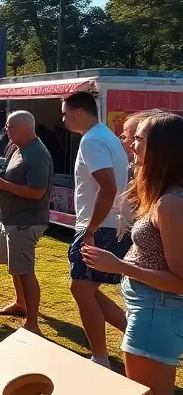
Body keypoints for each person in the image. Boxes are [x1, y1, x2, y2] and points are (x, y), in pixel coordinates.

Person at [80, 113, 183, 395]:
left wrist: (119, 265)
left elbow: (180, 281)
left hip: (158, 312)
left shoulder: (173, 203)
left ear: (162, 149)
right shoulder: (163, 197)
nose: (130, 147)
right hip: (148, 310)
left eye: (138, 141)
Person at [61, 90, 131, 367]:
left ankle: (100, 357)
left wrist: (91, 228)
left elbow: (109, 187)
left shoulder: (92, 140)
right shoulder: (103, 136)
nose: (63, 119)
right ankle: (133, 338)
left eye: (65, 113)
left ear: (78, 111)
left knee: (81, 289)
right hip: (109, 224)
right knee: (85, 290)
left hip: (99, 226)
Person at [0, 111, 53, 333]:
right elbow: (11, 174)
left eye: (10, 127)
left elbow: (37, 192)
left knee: (25, 270)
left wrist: (1, 183)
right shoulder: (17, 148)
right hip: (11, 218)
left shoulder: (37, 154)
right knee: (15, 268)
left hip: (26, 220)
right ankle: (20, 304)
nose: (6, 131)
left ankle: (32, 324)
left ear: (24, 127)